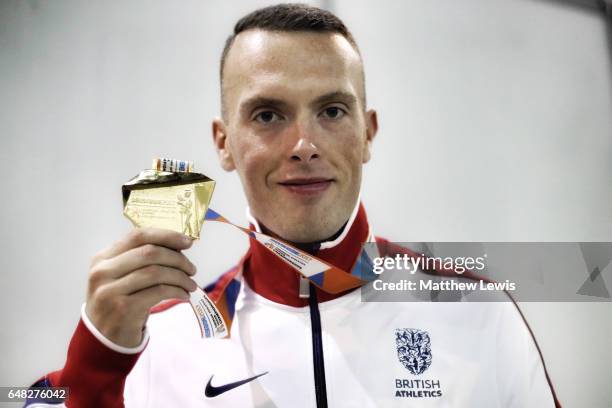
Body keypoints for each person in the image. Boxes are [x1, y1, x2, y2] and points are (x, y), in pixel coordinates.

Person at [28, 4, 561, 407]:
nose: (304, 143)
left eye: (331, 110)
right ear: (223, 143)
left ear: (368, 133)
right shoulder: (158, 339)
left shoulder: (478, 313)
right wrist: (95, 360)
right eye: (267, 115)